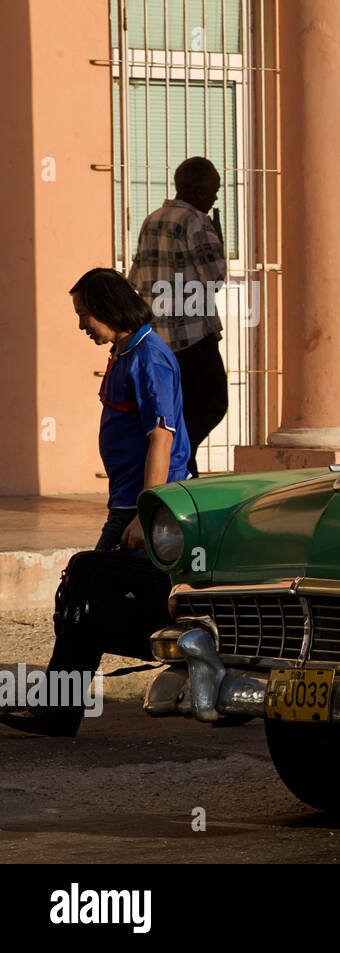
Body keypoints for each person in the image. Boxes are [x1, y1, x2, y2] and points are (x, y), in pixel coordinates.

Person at [0, 269, 190, 737]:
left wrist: (148, 514)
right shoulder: (123, 353)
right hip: (127, 505)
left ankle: (64, 708)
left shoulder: (150, 358)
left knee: (88, 599)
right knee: (84, 603)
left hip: (142, 510)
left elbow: (161, 439)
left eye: (85, 313)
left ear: (109, 308)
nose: (82, 323)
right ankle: (60, 709)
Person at [127, 155, 228, 479]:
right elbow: (215, 278)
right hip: (193, 336)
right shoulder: (197, 222)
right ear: (198, 192)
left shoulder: (152, 219)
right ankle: (179, 459)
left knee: (178, 409)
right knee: (213, 403)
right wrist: (219, 243)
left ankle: (181, 463)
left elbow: (134, 279)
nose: (215, 198)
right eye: (213, 192)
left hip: (160, 340)